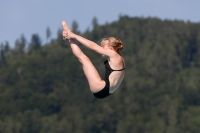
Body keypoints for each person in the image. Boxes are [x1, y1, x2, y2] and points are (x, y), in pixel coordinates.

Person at [62, 21, 125, 99]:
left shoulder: (114, 55)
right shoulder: (120, 58)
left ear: (110, 48)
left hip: (101, 88)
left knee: (84, 59)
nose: (101, 48)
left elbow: (92, 46)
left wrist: (74, 36)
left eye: (103, 46)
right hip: (105, 92)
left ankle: (69, 34)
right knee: (83, 59)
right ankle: (69, 37)